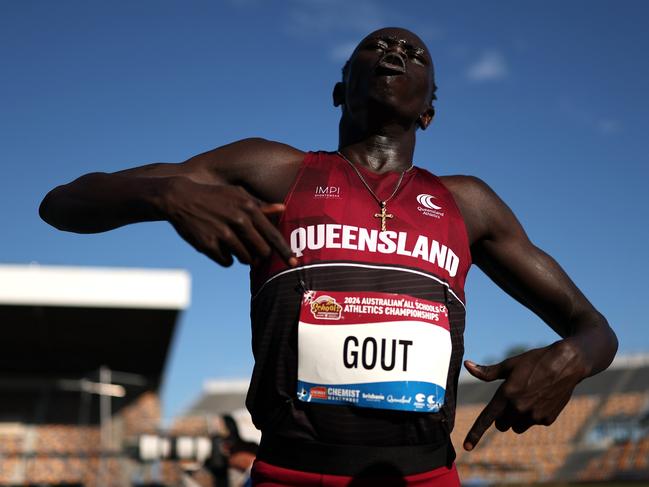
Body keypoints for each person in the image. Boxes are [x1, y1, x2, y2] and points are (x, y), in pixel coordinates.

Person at [40, 27, 617, 486]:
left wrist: (569, 360)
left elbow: (595, 330)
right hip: (289, 472)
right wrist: (165, 192)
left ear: (429, 112)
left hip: (422, 475)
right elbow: (61, 203)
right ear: (341, 89)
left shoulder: (468, 203)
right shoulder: (273, 169)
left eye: (413, 52)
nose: (395, 50)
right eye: (376, 46)